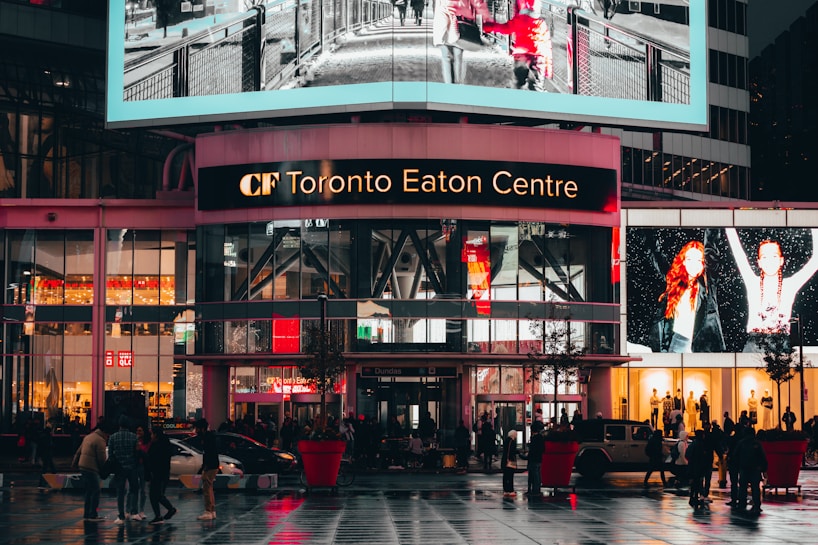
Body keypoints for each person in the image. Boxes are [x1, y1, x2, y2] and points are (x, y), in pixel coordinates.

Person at [725, 228, 818, 351]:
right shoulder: (752, 282)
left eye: (774, 256)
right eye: (764, 257)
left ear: (781, 260)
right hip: (754, 343)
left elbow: (815, 261)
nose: (769, 261)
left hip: (781, 342)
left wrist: (813, 226)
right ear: (759, 262)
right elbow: (738, 251)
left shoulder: (790, 285)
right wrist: (728, 221)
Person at [649, 236, 725, 353]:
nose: (694, 264)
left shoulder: (708, 286)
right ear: (683, 261)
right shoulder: (673, 281)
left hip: (703, 346)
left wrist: (713, 222)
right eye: (689, 259)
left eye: (699, 260)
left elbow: (711, 250)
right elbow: (655, 251)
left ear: (704, 263)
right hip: (676, 343)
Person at [482, 0, 553, 91]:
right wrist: (548, 70)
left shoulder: (520, 20)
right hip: (538, 56)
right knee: (536, 85)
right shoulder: (541, 24)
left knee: (518, 81)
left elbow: (506, 28)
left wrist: (489, 26)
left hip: (521, 54)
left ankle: (516, 97)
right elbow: (547, 48)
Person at [432, 0, 493, 84]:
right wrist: (486, 17)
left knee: (447, 56)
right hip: (459, 19)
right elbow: (478, 2)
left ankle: (450, 85)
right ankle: (456, 85)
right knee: (457, 55)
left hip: (446, 19)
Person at [72, 420, 109, 521]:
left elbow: (78, 451)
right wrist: (104, 470)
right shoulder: (100, 440)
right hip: (91, 467)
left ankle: (87, 514)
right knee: (95, 491)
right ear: (105, 433)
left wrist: (74, 463)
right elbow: (101, 458)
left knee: (89, 491)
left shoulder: (88, 437)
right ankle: (93, 514)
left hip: (83, 466)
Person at [109, 416, 139, 524]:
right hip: (131, 467)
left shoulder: (113, 437)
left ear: (119, 425)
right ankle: (134, 512)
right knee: (134, 489)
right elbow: (136, 454)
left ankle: (121, 515)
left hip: (119, 469)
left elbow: (111, 455)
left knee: (120, 492)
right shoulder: (134, 437)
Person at [145, 427, 176, 524]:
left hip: (157, 474)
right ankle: (161, 514)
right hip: (164, 474)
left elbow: (150, 459)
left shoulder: (156, 446)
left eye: (152, 434)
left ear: (156, 435)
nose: (151, 436)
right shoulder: (166, 445)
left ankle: (165, 511)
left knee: (155, 495)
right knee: (157, 495)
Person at [735, 427, 768, 515]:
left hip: (744, 468)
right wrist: (763, 468)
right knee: (755, 488)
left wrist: (737, 467)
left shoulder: (741, 443)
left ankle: (742, 504)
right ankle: (757, 505)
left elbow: (736, 456)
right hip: (755, 469)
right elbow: (762, 456)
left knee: (743, 488)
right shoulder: (757, 443)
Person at [193, 418, 219, 520]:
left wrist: (205, 466)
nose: (196, 431)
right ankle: (211, 510)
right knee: (209, 488)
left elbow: (209, 453)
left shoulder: (207, 438)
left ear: (202, 428)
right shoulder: (210, 437)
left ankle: (208, 511)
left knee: (207, 488)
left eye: (197, 428)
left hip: (210, 466)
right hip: (212, 465)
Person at [134, 424, 151, 521]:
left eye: (140, 431)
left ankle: (141, 510)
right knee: (134, 489)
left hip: (143, 466)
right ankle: (133, 510)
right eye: (137, 431)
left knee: (143, 490)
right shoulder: (135, 441)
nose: (138, 433)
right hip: (136, 465)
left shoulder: (147, 443)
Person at [526, 421, 545, 496]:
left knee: (534, 475)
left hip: (533, 459)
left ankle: (534, 490)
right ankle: (536, 489)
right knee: (537, 474)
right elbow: (543, 449)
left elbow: (533, 449)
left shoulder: (535, 438)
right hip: (538, 458)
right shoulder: (540, 438)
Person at [500, 429, 520, 497]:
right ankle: (510, 490)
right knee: (510, 476)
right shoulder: (512, 441)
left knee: (506, 476)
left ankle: (506, 490)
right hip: (510, 461)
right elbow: (510, 451)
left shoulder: (506, 440)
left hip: (505, 460)